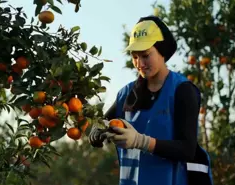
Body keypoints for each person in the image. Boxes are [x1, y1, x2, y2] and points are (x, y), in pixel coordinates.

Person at [89, 15, 214, 185]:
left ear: (162, 51)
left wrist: (141, 141)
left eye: (146, 55)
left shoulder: (182, 91)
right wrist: (97, 130)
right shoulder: (126, 94)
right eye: (135, 56)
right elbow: (103, 122)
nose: (140, 63)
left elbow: (187, 149)